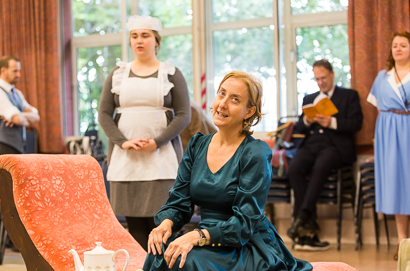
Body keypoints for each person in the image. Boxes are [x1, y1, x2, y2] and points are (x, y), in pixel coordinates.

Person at [143, 71, 312, 271]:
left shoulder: (255, 152)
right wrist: (166, 224)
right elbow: (180, 201)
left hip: (245, 243)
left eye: (235, 99)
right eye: (221, 94)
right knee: (159, 253)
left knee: (186, 261)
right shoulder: (197, 145)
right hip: (208, 239)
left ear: (249, 111)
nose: (222, 104)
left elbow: (244, 224)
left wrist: (197, 236)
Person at [98, 15, 190, 251]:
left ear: (156, 41)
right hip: (126, 160)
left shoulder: (171, 73)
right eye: (134, 35)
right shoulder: (117, 74)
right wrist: (123, 142)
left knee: (162, 224)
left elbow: (183, 115)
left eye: (145, 35)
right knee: (135, 226)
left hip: (162, 160)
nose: (139, 40)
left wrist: (157, 142)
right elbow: (104, 114)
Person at [287, 59, 363, 251]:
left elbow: (356, 124)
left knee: (321, 167)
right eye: (317, 79)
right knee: (295, 168)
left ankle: (303, 216)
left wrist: (332, 122)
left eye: (323, 78)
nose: (320, 82)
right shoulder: (309, 98)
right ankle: (308, 224)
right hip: (311, 144)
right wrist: (307, 119)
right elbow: (299, 128)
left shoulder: (348, 96)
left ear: (332, 75)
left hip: (335, 147)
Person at [367, 31, 410, 261]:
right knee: (397, 185)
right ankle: (403, 242)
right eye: (395, 45)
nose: (398, 48)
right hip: (388, 134)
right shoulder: (382, 76)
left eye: (403, 44)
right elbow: (377, 108)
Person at [0, 55, 40, 155]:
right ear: (3, 71)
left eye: (19, 71)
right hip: (4, 147)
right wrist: (21, 117)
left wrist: (20, 116)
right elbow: (17, 119)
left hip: (18, 146)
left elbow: (36, 116)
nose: (19, 75)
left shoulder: (17, 93)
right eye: (14, 71)